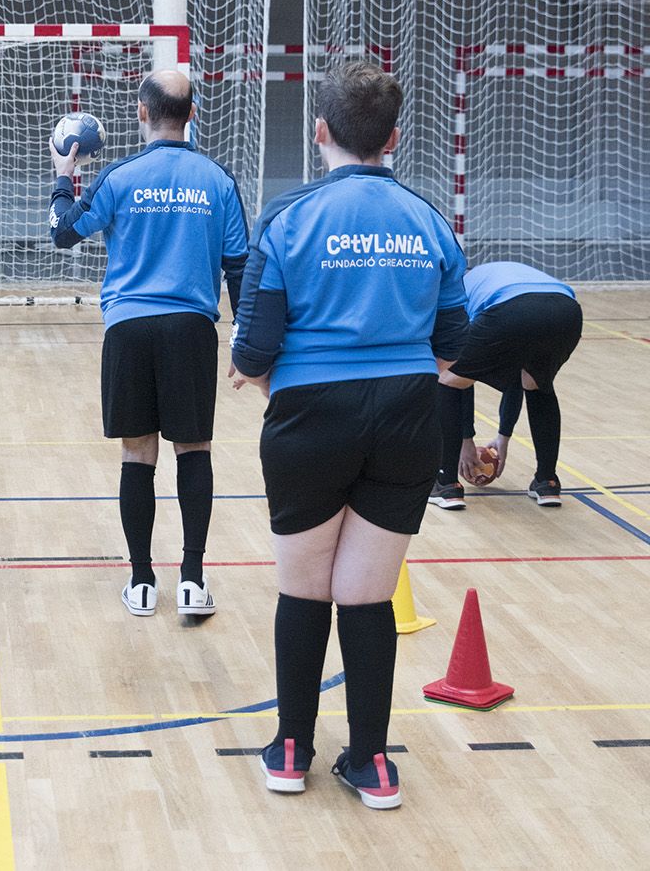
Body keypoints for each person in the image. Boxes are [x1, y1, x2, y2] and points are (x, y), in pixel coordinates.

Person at [230, 62, 468, 810]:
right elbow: (455, 340)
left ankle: (291, 749)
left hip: (309, 418)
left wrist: (278, 378)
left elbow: (251, 351)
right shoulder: (429, 218)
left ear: (320, 133)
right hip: (406, 417)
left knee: (304, 587)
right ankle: (372, 763)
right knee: (366, 596)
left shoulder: (289, 217)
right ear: (392, 139)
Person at [48, 70, 250, 618]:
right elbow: (239, 268)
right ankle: (192, 580)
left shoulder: (118, 176)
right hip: (190, 330)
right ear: (192, 114)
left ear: (142, 113)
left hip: (129, 329)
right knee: (194, 451)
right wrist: (245, 340)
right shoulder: (218, 180)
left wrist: (63, 179)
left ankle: (141, 581)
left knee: (138, 453)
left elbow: (64, 233)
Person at [431, 261, 582, 510]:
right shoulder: (494, 275)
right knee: (536, 383)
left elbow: (461, 380)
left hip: (511, 309)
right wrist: (504, 436)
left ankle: (447, 484)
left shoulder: (457, 293)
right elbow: (515, 373)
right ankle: (547, 482)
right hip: (567, 311)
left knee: (448, 380)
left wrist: (465, 441)